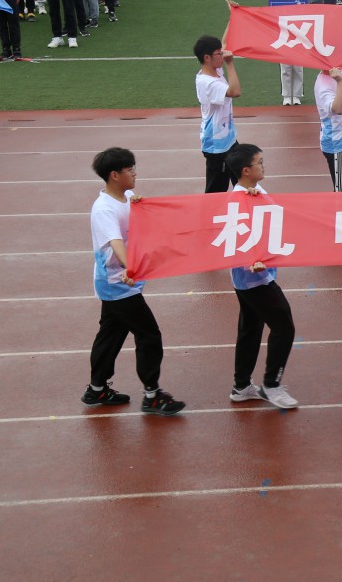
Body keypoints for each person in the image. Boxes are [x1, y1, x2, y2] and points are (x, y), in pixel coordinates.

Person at [84, 147, 186, 415]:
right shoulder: (104, 209)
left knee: (111, 334)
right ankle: (152, 396)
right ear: (114, 175)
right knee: (149, 335)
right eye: (130, 170)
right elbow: (115, 242)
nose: (135, 173)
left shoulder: (127, 197)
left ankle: (96, 389)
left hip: (120, 280)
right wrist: (133, 269)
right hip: (117, 283)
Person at [225, 144, 299, 409]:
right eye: (260, 162)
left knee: (250, 329)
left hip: (256, 276)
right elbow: (236, 237)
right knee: (284, 327)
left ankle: (241, 386)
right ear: (246, 170)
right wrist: (250, 262)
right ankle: (271, 384)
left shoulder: (255, 191)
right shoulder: (238, 200)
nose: (263, 166)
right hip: (253, 279)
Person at [193, 34, 240, 193]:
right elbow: (235, 91)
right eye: (219, 53)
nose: (223, 55)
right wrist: (230, 63)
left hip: (229, 139)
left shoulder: (214, 70)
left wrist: (232, 20)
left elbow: (224, 42)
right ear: (207, 58)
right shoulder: (208, 83)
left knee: (242, 182)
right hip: (217, 147)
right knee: (216, 192)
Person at [275, 0, 304, 104]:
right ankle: (287, 96)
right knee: (285, 68)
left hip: (298, 35)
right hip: (282, 35)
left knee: (298, 67)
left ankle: (297, 95)